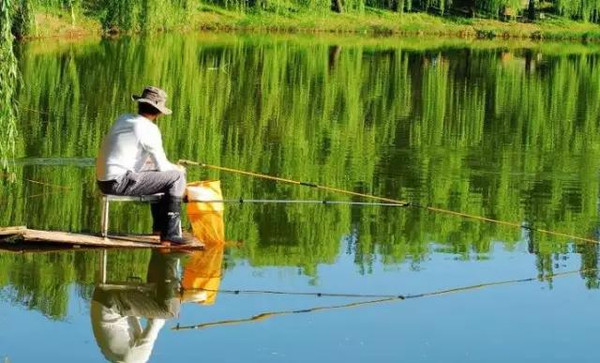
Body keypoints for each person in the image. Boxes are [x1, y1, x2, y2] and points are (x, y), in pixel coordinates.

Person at [96, 86, 195, 245]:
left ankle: (159, 229)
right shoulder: (149, 129)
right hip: (118, 182)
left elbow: (139, 158)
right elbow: (163, 166)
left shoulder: (124, 118)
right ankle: (170, 234)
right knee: (177, 177)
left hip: (104, 181)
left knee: (161, 174)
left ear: (139, 105)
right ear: (159, 112)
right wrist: (179, 169)